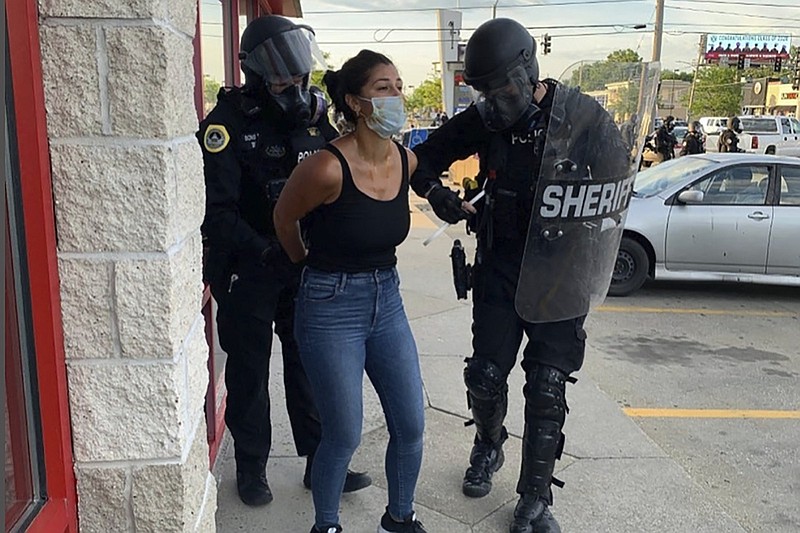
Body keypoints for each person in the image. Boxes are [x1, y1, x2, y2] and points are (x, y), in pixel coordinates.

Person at [411, 18, 629, 533]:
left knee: (548, 386)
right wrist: (439, 195)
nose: (496, 99)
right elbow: (422, 160)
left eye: (503, 87)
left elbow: (618, 187)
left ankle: (536, 496)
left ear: (529, 69)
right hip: (500, 266)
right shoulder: (484, 119)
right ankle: (488, 444)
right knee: (485, 376)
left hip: (563, 272)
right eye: (484, 90)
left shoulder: (582, 117)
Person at [197, 15, 371, 507]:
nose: (293, 84)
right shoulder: (225, 126)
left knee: (311, 368)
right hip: (249, 270)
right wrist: (266, 248)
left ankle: (321, 463)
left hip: (303, 270)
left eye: (298, 73)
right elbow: (216, 212)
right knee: (249, 373)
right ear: (255, 73)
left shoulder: (315, 120)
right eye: (281, 76)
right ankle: (251, 467)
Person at [273, 50, 427, 533]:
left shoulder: (407, 160)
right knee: (343, 433)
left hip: (388, 300)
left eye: (399, 85)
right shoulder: (326, 167)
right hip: (329, 305)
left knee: (411, 425)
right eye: (384, 87)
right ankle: (327, 525)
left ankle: (400, 517)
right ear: (357, 102)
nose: (397, 96)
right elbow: (283, 219)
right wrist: (306, 267)